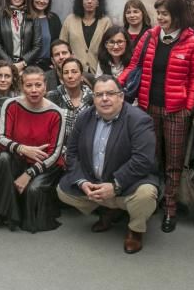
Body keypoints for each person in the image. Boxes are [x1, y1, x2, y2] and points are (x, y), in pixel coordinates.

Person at [119, 0, 194, 233]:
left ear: (178, 15)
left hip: (177, 111)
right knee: (151, 158)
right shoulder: (150, 36)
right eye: (158, 14)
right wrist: (115, 85)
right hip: (148, 108)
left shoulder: (193, 42)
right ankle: (152, 200)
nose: (160, 18)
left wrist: (188, 106)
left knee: (174, 163)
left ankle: (170, 208)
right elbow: (132, 66)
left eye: (165, 14)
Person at [56, 75, 160, 253]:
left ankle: (135, 229)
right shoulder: (84, 117)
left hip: (129, 182)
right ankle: (109, 209)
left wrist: (116, 185)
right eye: (99, 94)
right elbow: (71, 153)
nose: (104, 99)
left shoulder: (139, 120)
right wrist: (82, 182)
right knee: (63, 191)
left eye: (110, 93)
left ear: (121, 96)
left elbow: (143, 160)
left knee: (146, 195)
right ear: (93, 98)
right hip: (95, 182)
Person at [0, 67, 65, 232]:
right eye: (29, 85)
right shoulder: (11, 105)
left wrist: (28, 174)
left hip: (45, 165)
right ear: (22, 87)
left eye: (38, 85)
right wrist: (23, 149)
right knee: (3, 158)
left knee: (33, 191)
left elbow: (54, 154)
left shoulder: (56, 113)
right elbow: (0, 137)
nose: (34, 90)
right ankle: (2, 214)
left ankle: (20, 215)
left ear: (45, 86)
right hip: (18, 158)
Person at [0, 0, 42, 73]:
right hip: (4, 66)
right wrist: (10, 64)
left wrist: (23, 63)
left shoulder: (34, 17)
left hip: (27, 67)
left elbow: (37, 46)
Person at [60, 0, 111, 73]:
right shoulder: (70, 20)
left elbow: (109, 49)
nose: (89, 1)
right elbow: (62, 45)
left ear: (98, 2)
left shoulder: (106, 22)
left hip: (98, 72)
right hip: (73, 72)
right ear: (81, 1)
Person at [47, 56, 94, 146]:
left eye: (74, 72)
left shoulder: (92, 98)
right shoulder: (52, 97)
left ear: (81, 76)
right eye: (66, 73)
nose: (70, 76)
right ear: (62, 78)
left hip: (86, 148)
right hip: (59, 149)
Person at [29, 0, 63, 71]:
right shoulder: (26, 18)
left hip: (48, 67)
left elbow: (58, 43)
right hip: (28, 66)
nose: (42, 1)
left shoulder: (54, 18)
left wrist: (54, 63)